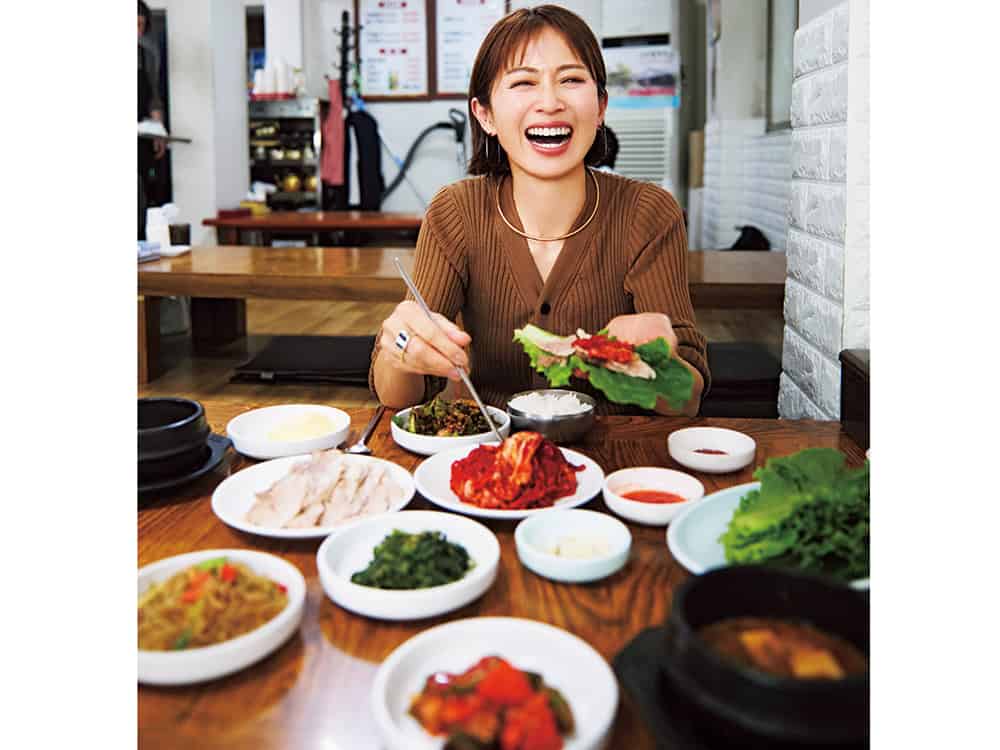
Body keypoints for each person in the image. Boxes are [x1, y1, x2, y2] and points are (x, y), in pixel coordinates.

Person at [370, 5, 708, 416]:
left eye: (571, 80)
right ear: (485, 114)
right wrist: (401, 348)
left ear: (601, 107)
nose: (549, 102)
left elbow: (688, 401)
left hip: (617, 450)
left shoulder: (649, 213)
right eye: (523, 82)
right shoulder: (455, 212)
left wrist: (659, 361)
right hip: (494, 448)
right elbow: (396, 397)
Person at [138, 0, 166, 230]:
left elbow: (153, 98)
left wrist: (158, 132)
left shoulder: (146, 55)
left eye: (141, 25)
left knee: (142, 196)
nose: (138, 31)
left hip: (141, 137)